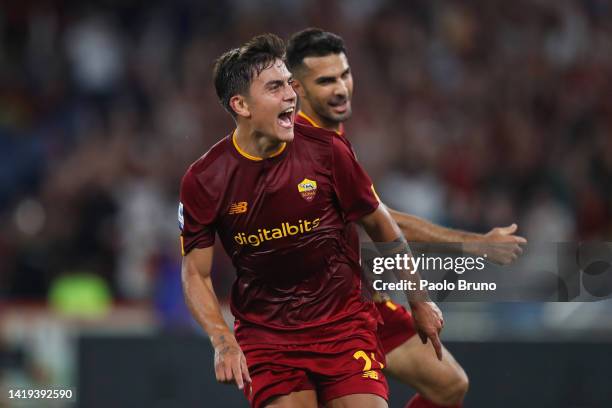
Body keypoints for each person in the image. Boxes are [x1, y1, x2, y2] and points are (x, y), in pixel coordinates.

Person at [179, 33, 443, 408]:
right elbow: (195, 273)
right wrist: (222, 340)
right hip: (268, 337)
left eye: (289, 83)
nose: (291, 95)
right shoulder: (205, 179)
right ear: (241, 104)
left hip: (343, 326)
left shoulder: (327, 150)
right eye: (275, 87)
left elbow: (381, 225)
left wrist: (419, 299)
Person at [286, 28, 527, 408]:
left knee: (449, 384)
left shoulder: (330, 135)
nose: (341, 88)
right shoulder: (304, 146)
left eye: (344, 74)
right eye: (326, 80)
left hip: (358, 300)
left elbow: (374, 215)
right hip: (317, 318)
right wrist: (475, 243)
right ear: (297, 88)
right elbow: (380, 219)